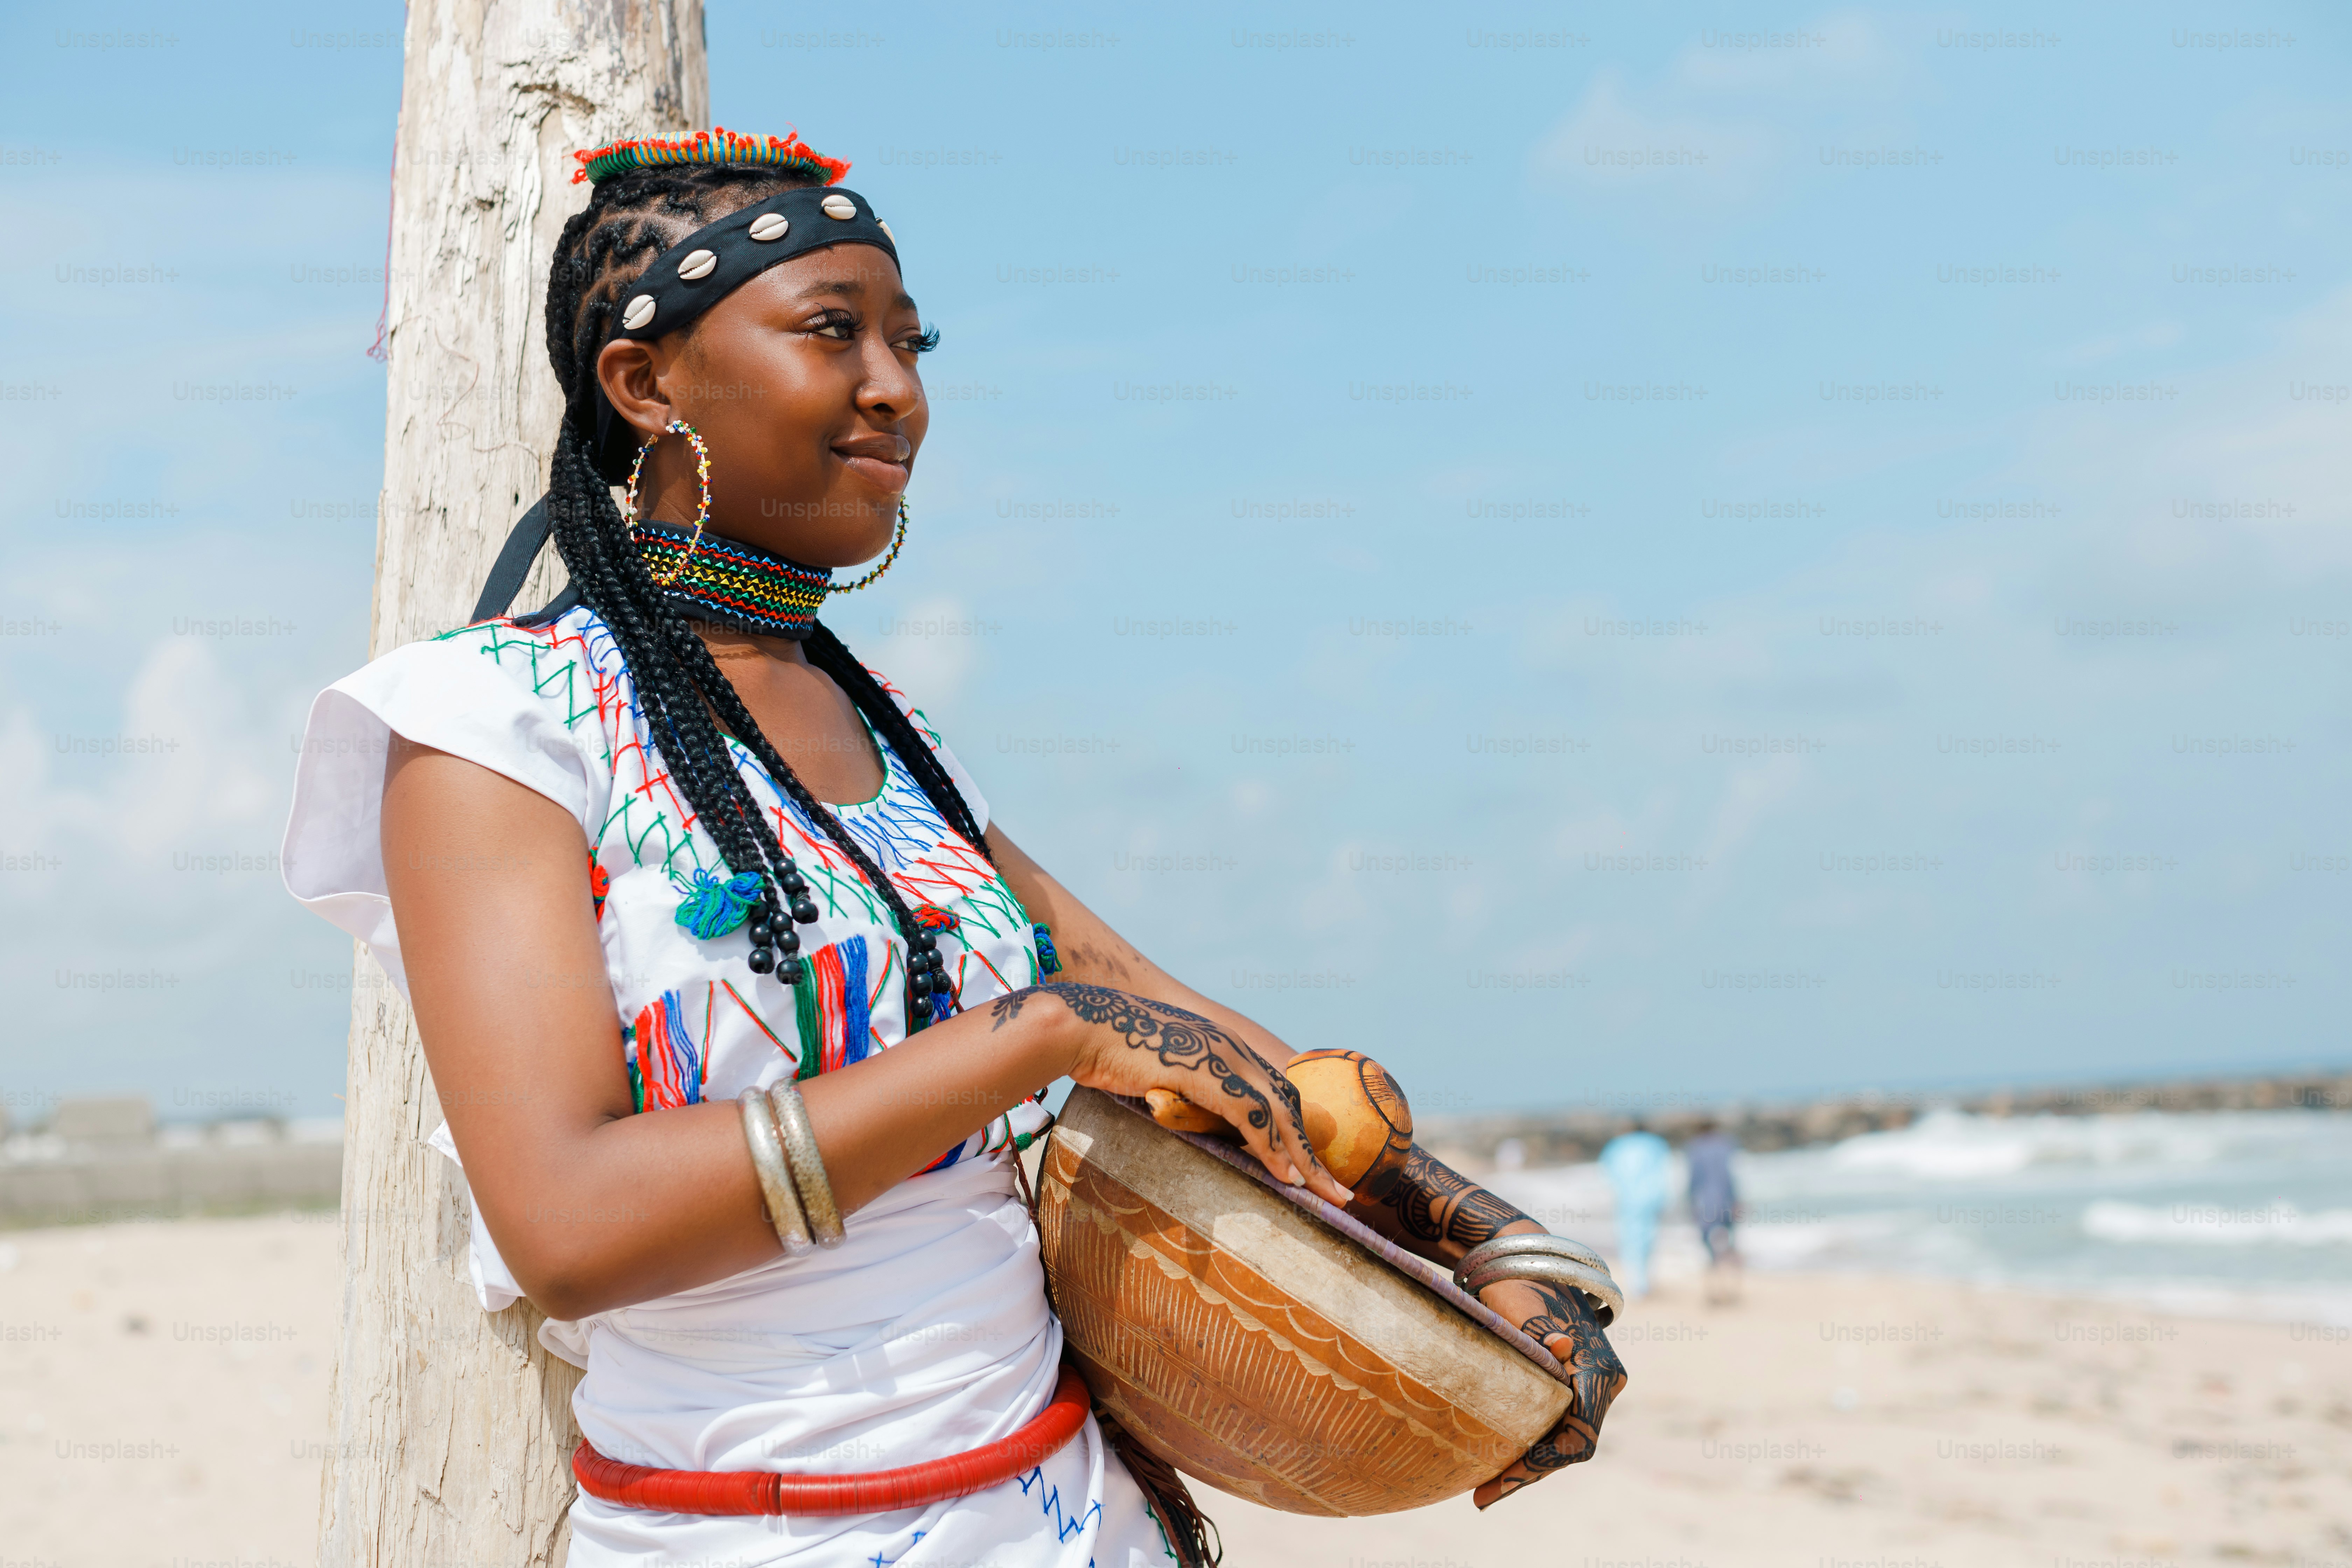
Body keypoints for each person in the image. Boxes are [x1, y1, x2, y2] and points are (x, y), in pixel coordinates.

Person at [280, 127, 1622, 1566]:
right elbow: (568, 1224)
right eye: (833, 333)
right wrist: (1026, 1040)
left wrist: (1489, 1245)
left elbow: (1154, 1014)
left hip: (1075, 1516)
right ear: (645, 380)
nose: (898, 391)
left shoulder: (889, 722)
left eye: (914, 344)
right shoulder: (488, 722)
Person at [1598, 1118, 1672, 1299]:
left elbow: (1606, 1173)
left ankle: (1636, 1284)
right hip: (1652, 1197)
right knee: (1649, 1238)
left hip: (1627, 1199)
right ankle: (1645, 1281)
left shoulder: (1616, 1145)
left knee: (1630, 1240)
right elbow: (1667, 1171)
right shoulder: (1656, 1143)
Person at [1685, 1118, 1742, 1304]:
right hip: (1725, 1201)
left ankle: (1715, 1289)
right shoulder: (1726, 1145)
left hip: (1705, 1204)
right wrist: (1736, 1201)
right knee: (1730, 1245)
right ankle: (1732, 1288)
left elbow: (1694, 1180)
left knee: (1709, 1248)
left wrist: (1689, 1202)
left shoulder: (1695, 1148)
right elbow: (1729, 1176)